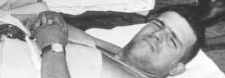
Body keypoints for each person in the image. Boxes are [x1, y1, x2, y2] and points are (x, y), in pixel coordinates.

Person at [30, 7, 204, 78]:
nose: (158, 34)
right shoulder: (120, 56)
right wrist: (53, 20)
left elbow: (54, 42)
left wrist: (53, 47)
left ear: (176, 69)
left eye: (172, 40)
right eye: (158, 24)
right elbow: (72, 35)